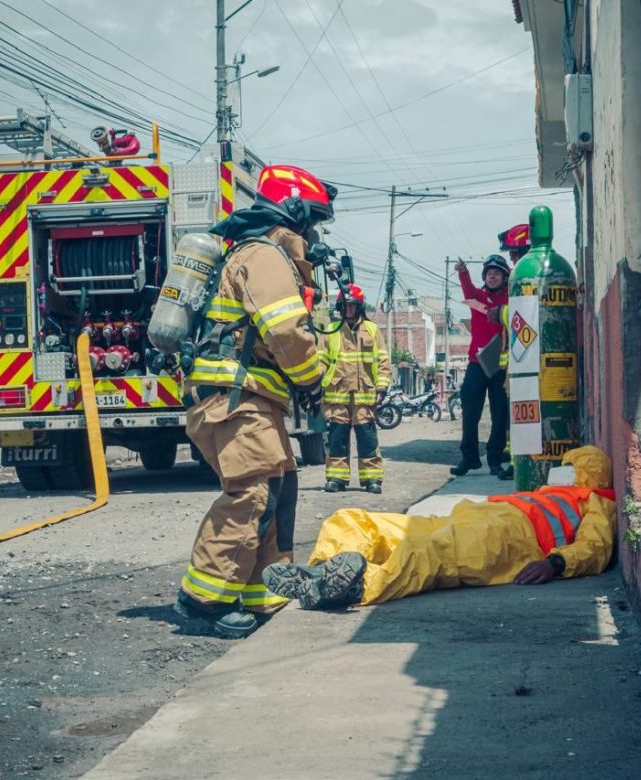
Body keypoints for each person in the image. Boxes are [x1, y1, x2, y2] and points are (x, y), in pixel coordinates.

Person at [174, 163, 337, 638]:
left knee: (279, 488)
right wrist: (311, 379)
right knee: (250, 494)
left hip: (251, 396)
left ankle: (261, 589)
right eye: (313, 221)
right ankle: (202, 599)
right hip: (234, 397)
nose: (315, 233)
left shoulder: (267, 255)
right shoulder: (264, 255)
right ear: (292, 212)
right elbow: (285, 329)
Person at [263, 446, 616, 608]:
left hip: (508, 539)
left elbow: (595, 549)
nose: (564, 470)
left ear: (586, 473)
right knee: (354, 519)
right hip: (471, 517)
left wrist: (554, 563)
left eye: (571, 466)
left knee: (425, 554)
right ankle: (322, 572)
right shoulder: (554, 491)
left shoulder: (596, 501)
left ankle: (358, 588)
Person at [319, 283, 391, 494]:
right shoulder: (331, 330)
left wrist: (382, 388)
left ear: (359, 307)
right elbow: (321, 360)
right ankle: (336, 478)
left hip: (364, 396)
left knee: (367, 440)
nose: (348, 310)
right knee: (337, 440)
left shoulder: (372, 330)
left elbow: (383, 361)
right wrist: (314, 385)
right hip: (337, 395)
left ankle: (372, 479)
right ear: (340, 307)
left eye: (352, 306)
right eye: (345, 305)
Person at [451, 254, 511, 476]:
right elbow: (467, 289)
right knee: (470, 411)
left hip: (501, 366)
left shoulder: (511, 298)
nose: (492, 276)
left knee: (500, 412)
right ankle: (470, 458)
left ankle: (494, 458)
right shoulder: (479, 297)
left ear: (505, 277)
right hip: (477, 363)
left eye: (497, 273)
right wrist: (462, 271)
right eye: (488, 273)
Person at [491, 224, 531, 481]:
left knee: (522, 415)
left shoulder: (526, 273)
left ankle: (521, 464)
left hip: (525, 363)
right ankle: (519, 462)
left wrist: (500, 314)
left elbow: (524, 313)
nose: (512, 260)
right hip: (522, 362)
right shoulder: (532, 271)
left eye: (513, 254)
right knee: (520, 414)